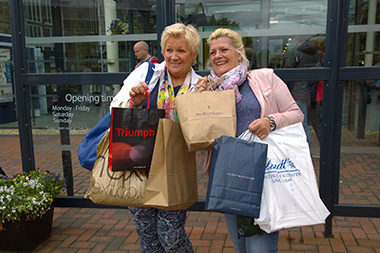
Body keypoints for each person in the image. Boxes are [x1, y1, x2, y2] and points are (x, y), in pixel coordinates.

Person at [197, 28, 304, 252]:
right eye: (213, 51)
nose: (217, 55)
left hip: (262, 177)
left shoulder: (265, 78)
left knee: (259, 248)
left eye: (224, 49)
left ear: (239, 53)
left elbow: (296, 113)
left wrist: (270, 122)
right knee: (241, 247)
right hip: (227, 176)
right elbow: (201, 131)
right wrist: (200, 98)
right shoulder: (209, 87)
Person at [110, 23, 201, 252]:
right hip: (138, 166)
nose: (174, 56)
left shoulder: (199, 86)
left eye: (181, 50)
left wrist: (200, 105)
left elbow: (204, 132)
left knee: (171, 238)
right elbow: (116, 108)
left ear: (193, 54)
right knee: (148, 239)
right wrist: (135, 104)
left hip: (175, 169)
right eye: (169, 50)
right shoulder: (147, 73)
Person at [284, 35, 323, 147]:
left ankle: (306, 152)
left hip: (299, 92)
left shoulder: (295, 53)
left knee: (301, 123)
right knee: (317, 123)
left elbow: (287, 73)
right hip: (314, 93)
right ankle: (326, 150)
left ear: (297, 41)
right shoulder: (319, 54)